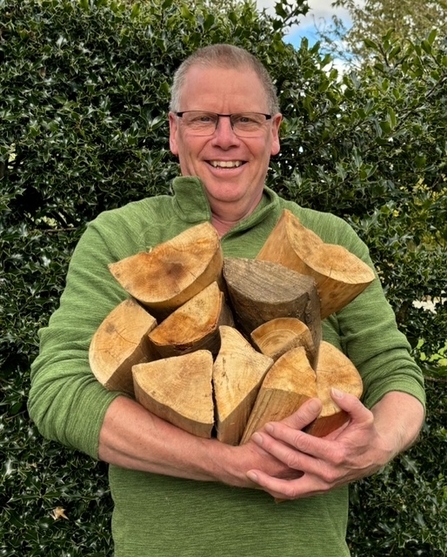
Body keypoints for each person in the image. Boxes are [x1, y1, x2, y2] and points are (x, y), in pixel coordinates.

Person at [28, 44, 425, 557]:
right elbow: (58, 392)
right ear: (174, 132)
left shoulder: (330, 239)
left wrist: (377, 445)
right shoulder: (119, 237)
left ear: (274, 132)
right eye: (201, 119)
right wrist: (228, 465)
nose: (224, 137)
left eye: (245, 119)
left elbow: (396, 374)